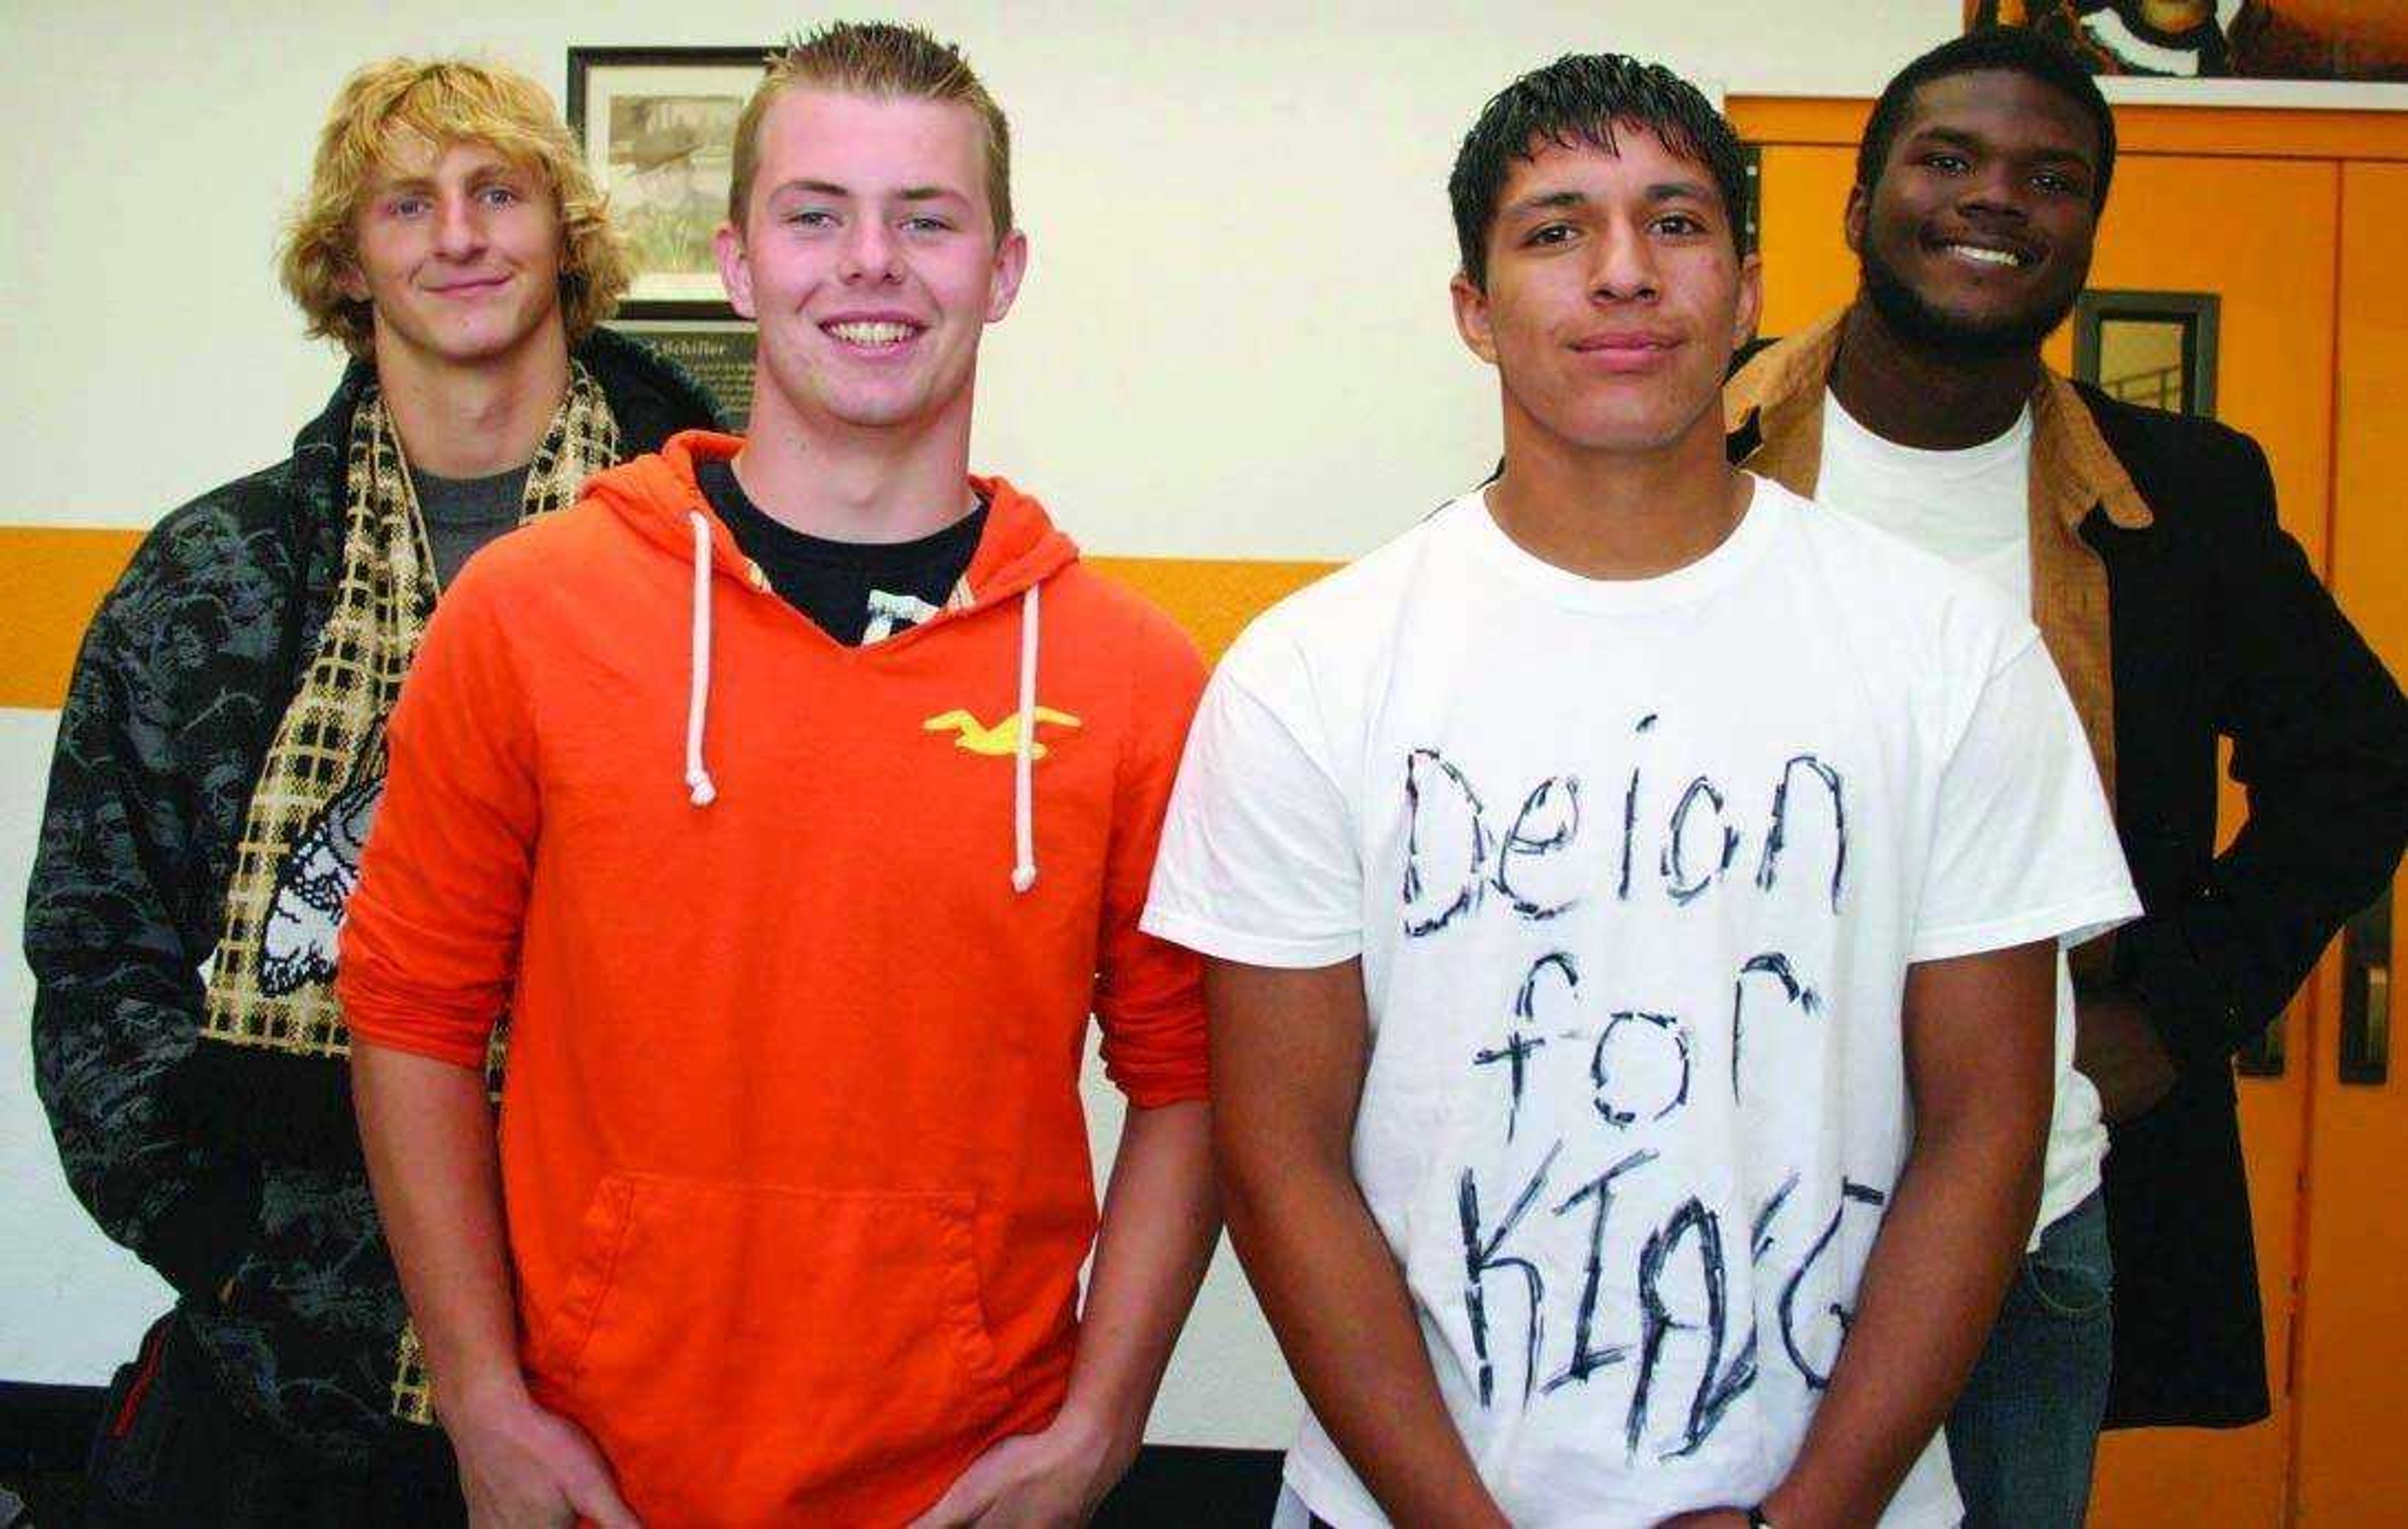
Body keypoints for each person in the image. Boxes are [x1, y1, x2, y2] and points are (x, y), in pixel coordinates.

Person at [1143, 51, 2140, 1528]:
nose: (1623, 274)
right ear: (1475, 311)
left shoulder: (1950, 655)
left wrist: (1813, 1511)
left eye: (1676, 224)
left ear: (1745, 291)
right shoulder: (1314, 673)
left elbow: (1987, 1127)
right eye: (1556, 230)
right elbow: (1281, 1153)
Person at [337, 22, 1219, 1527]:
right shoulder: (533, 614)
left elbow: (1193, 1080)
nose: (870, 263)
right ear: (740, 262)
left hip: (968, 1480)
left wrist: (1098, 1427)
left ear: (1002, 270)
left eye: (925, 219)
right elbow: (410, 1013)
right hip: (599, 1472)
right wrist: (483, 1400)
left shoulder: (1130, 674)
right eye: (816, 215)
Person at [24, 56, 722, 1525]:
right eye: (409, 203)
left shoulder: (725, 569)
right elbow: (96, 955)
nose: (458, 235)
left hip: (650, 1364)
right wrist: (230, 1244)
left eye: (498, 193)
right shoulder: (213, 580)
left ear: (566, 235)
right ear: (351, 260)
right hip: (286, 1379)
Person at [1723, 26, 2408, 1522]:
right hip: (1717, 1163)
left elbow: (2360, 760)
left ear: (2090, 226)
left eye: (2053, 178)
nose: (1998, 201)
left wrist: (2177, 1006)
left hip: (2034, 1203)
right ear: (1859, 204)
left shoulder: (2187, 495)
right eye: (1949, 159)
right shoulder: (1685, 445)